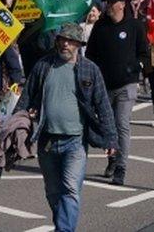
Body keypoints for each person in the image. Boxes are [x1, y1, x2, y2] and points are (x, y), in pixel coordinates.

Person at [18, 22, 118, 232]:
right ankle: (62, 225)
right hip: (47, 140)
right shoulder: (43, 66)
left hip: (75, 142)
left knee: (71, 189)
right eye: (62, 39)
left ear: (79, 44)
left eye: (70, 41)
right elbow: (26, 98)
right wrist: (15, 124)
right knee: (54, 192)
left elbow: (103, 105)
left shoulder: (90, 69)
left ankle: (64, 230)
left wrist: (110, 140)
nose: (65, 44)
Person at [85, 0, 148, 186]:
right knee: (107, 126)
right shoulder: (100, 27)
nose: (107, 7)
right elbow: (90, 55)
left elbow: (144, 54)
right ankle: (112, 159)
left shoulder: (134, 26)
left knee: (121, 124)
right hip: (104, 86)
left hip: (126, 85)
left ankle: (121, 167)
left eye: (110, 4)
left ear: (120, 5)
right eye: (106, 4)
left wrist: (135, 67)